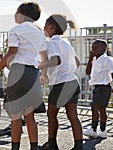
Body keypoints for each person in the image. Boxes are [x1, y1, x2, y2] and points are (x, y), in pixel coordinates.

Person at [0, 2, 48, 150]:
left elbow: (12, 52)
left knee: (15, 116)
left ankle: (15, 148)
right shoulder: (39, 32)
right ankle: (34, 147)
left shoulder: (16, 30)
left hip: (18, 73)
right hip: (33, 73)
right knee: (30, 116)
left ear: (21, 14)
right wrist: (44, 74)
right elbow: (44, 57)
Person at [39, 14, 83, 150]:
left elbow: (56, 60)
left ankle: (52, 144)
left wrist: (39, 65)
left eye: (45, 26)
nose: (43, 28)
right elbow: (77, 62)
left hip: (61, 83)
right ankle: (78, 146)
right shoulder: (66, 43)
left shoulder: (51, 43)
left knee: (51, 114)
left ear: (51, 27)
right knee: (73, 116)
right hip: (72, 82)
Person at [83, 39, 113, 138]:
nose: (93, 49)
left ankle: (93, 130)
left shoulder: (107, 59)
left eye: (96, 48)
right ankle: (103, 131)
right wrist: (90, 58)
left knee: (95, 108)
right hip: (97, 87)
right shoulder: (94, 60)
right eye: (92, 47)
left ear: (103, 49)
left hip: (104, 87)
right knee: (102, 109)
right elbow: (87, 72)